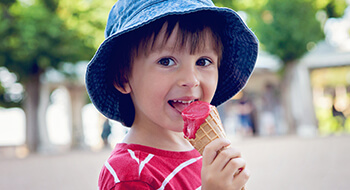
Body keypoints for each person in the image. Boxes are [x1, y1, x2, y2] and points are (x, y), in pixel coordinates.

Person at [85, 0, 258, 189]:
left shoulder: (201, 151)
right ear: (122, 77)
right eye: (166, 61)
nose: (191, 80)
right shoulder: (130, 174)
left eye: (203, 61)